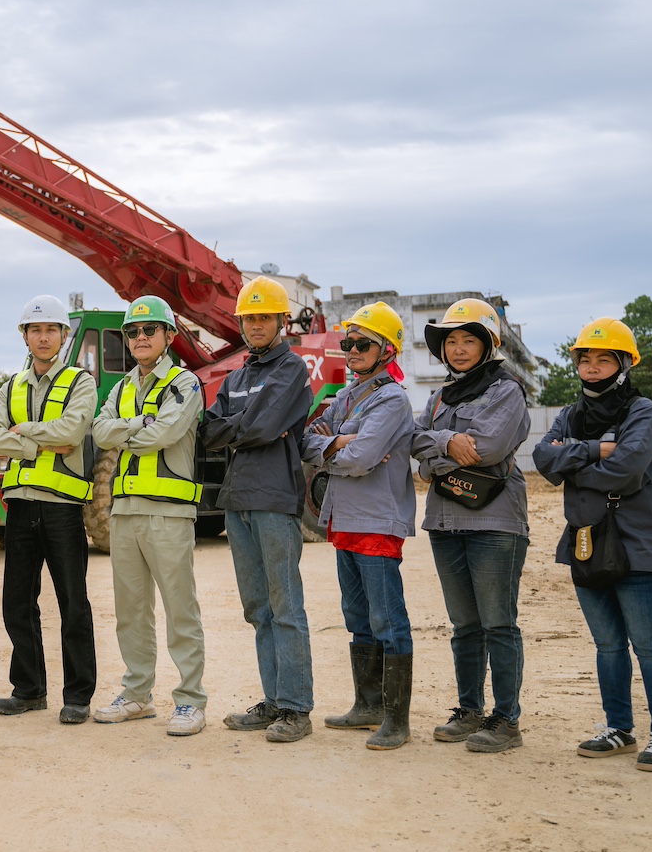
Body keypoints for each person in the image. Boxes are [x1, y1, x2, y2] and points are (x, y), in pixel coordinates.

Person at [533, 318, 652, 771]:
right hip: (586, 540)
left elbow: (629, 470)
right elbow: (543, 458)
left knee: (650, 645)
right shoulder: (569, 413)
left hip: (640, 544)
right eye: (585, 359)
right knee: (608, 645)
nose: (592, 367)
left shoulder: (643, 411)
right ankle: (619, 727)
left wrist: (572, 459)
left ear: (623, 364)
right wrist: (597, 449)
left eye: (603, 359)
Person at [411, 299, 531, 753]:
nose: (458, 349)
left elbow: (489, 447)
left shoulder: (506, 390)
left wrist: (434, 457)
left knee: (498, 622)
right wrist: (447, 440)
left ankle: (506, 721)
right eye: (451, 341)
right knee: (464, 624)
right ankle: (469, 710)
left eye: (468, 340)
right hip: (445, 520)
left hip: (495, 522)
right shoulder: (440, 395)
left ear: (489, 345)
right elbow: (413, 439)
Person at [200, 275, 316, 743]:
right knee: (258, 609)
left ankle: (296, 708)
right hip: (238, 499)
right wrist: (240, 426)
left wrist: (238, 426)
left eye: (264, 317)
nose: (256, 326)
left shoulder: (291, 372)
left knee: (285, 606)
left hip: (275, 499)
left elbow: (264, 429)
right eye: (249, 319)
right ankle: (273, 701)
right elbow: (209, 431)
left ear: (282, 321)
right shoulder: (237, 376)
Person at [303, 301, 417, 750]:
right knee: (358, 619)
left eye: (361, 343)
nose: (351, 350)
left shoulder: (391, 399)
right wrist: (338, 444)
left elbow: (360, 458)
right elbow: (306, 445)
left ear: (386, 350)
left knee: (387, 620)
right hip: (344, 520)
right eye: (347, 342)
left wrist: (334, 448)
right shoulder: (348, 397)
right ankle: (367, 705)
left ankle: (396, 719)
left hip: (376, 521)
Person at [91, 296, 208, 736]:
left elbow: (167, 433)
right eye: (133, 332)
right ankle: (138, 694)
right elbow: (101, 432)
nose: (140, 338)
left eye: (149, 330)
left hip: (169, 515)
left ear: (169, 336)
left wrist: (129, 431)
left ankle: (191, 700)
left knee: (181, 611)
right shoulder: (121, 388)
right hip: (125, 514)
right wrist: (141, 423)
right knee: (131, 611)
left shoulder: (185, 383)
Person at [0, 294, 99, 724]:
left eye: (51, 329)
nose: (44, 337)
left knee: (73, 602)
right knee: (17, 601)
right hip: (19, 506)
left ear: (64, 336)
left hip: (62, 508)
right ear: (25, 336)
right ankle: (29, 689)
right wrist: (40, 440)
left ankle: (78, 695)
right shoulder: (11, 385)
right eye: (36, 330)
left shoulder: (80, 382)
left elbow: (72, 431)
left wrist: (22, 433)